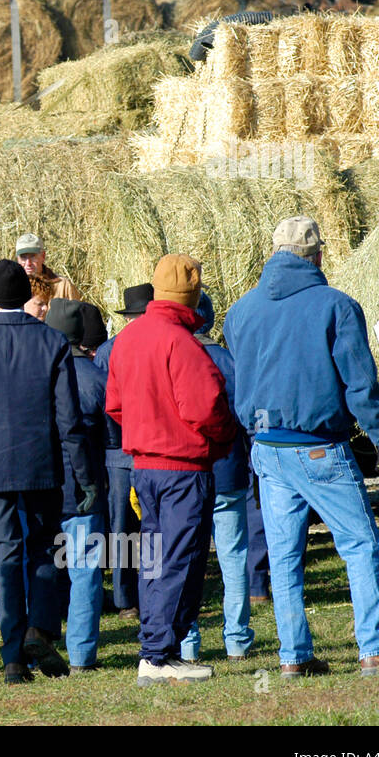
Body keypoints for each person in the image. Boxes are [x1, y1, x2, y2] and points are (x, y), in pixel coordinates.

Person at [225, 216, 379, 677]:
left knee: (283, 555)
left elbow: (240, 382)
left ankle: (293, 655)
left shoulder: (239, 312)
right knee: (361, 544)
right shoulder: (337, 306)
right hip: (319, 448)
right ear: (318, 256)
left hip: (267, 448)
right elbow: (360, 383)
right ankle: (376, 647)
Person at [0, 261, 95, 685]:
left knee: (6, 556)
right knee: (46, 549)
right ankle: (39, 630)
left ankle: (13, 658)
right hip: (41, 464)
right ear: (25, 291)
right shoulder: (51, 342)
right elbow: (69, 418)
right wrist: (84, 475)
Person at [106, 254, 237, 687]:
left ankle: (155, 651)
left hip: (143, 468)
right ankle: (160, 656)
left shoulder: (127, 339)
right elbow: (207, 408)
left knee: (155, 559)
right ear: (193, 296)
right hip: (183, 468)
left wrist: (148, 429)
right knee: (181, 560)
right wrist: (220, 442)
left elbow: (116, 406)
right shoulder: (182, 343)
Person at [179, 292, 258, 662]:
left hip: (187, 473)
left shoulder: (175, 357)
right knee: (233, 557)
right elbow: (246, 417)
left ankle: (187, 641)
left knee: (186, 559)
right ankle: (237, 639)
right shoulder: (229, 360)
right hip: (227, 470)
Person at [43, 300, 108, 673]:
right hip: (86, 488)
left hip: (44, 485)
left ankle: (39, 642)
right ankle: (82, 655)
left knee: (41, 569)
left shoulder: (37, 375)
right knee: (85, 572)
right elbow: (113, 436)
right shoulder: (97, 378)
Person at [93, 283, 151, 619]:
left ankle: (128, 597)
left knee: (123, 526)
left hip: (118, 449)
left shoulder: (108, 350)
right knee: (147, 523)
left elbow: (104, 404)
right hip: (143, 447)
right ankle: (139, 593)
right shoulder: (162, 342)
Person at [14, 232, 81, 301]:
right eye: (23, 257)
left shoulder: (63, 287)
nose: (28, 263)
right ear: (17, 259)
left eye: (32, 256)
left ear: (43, 256)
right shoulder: (11, 287)